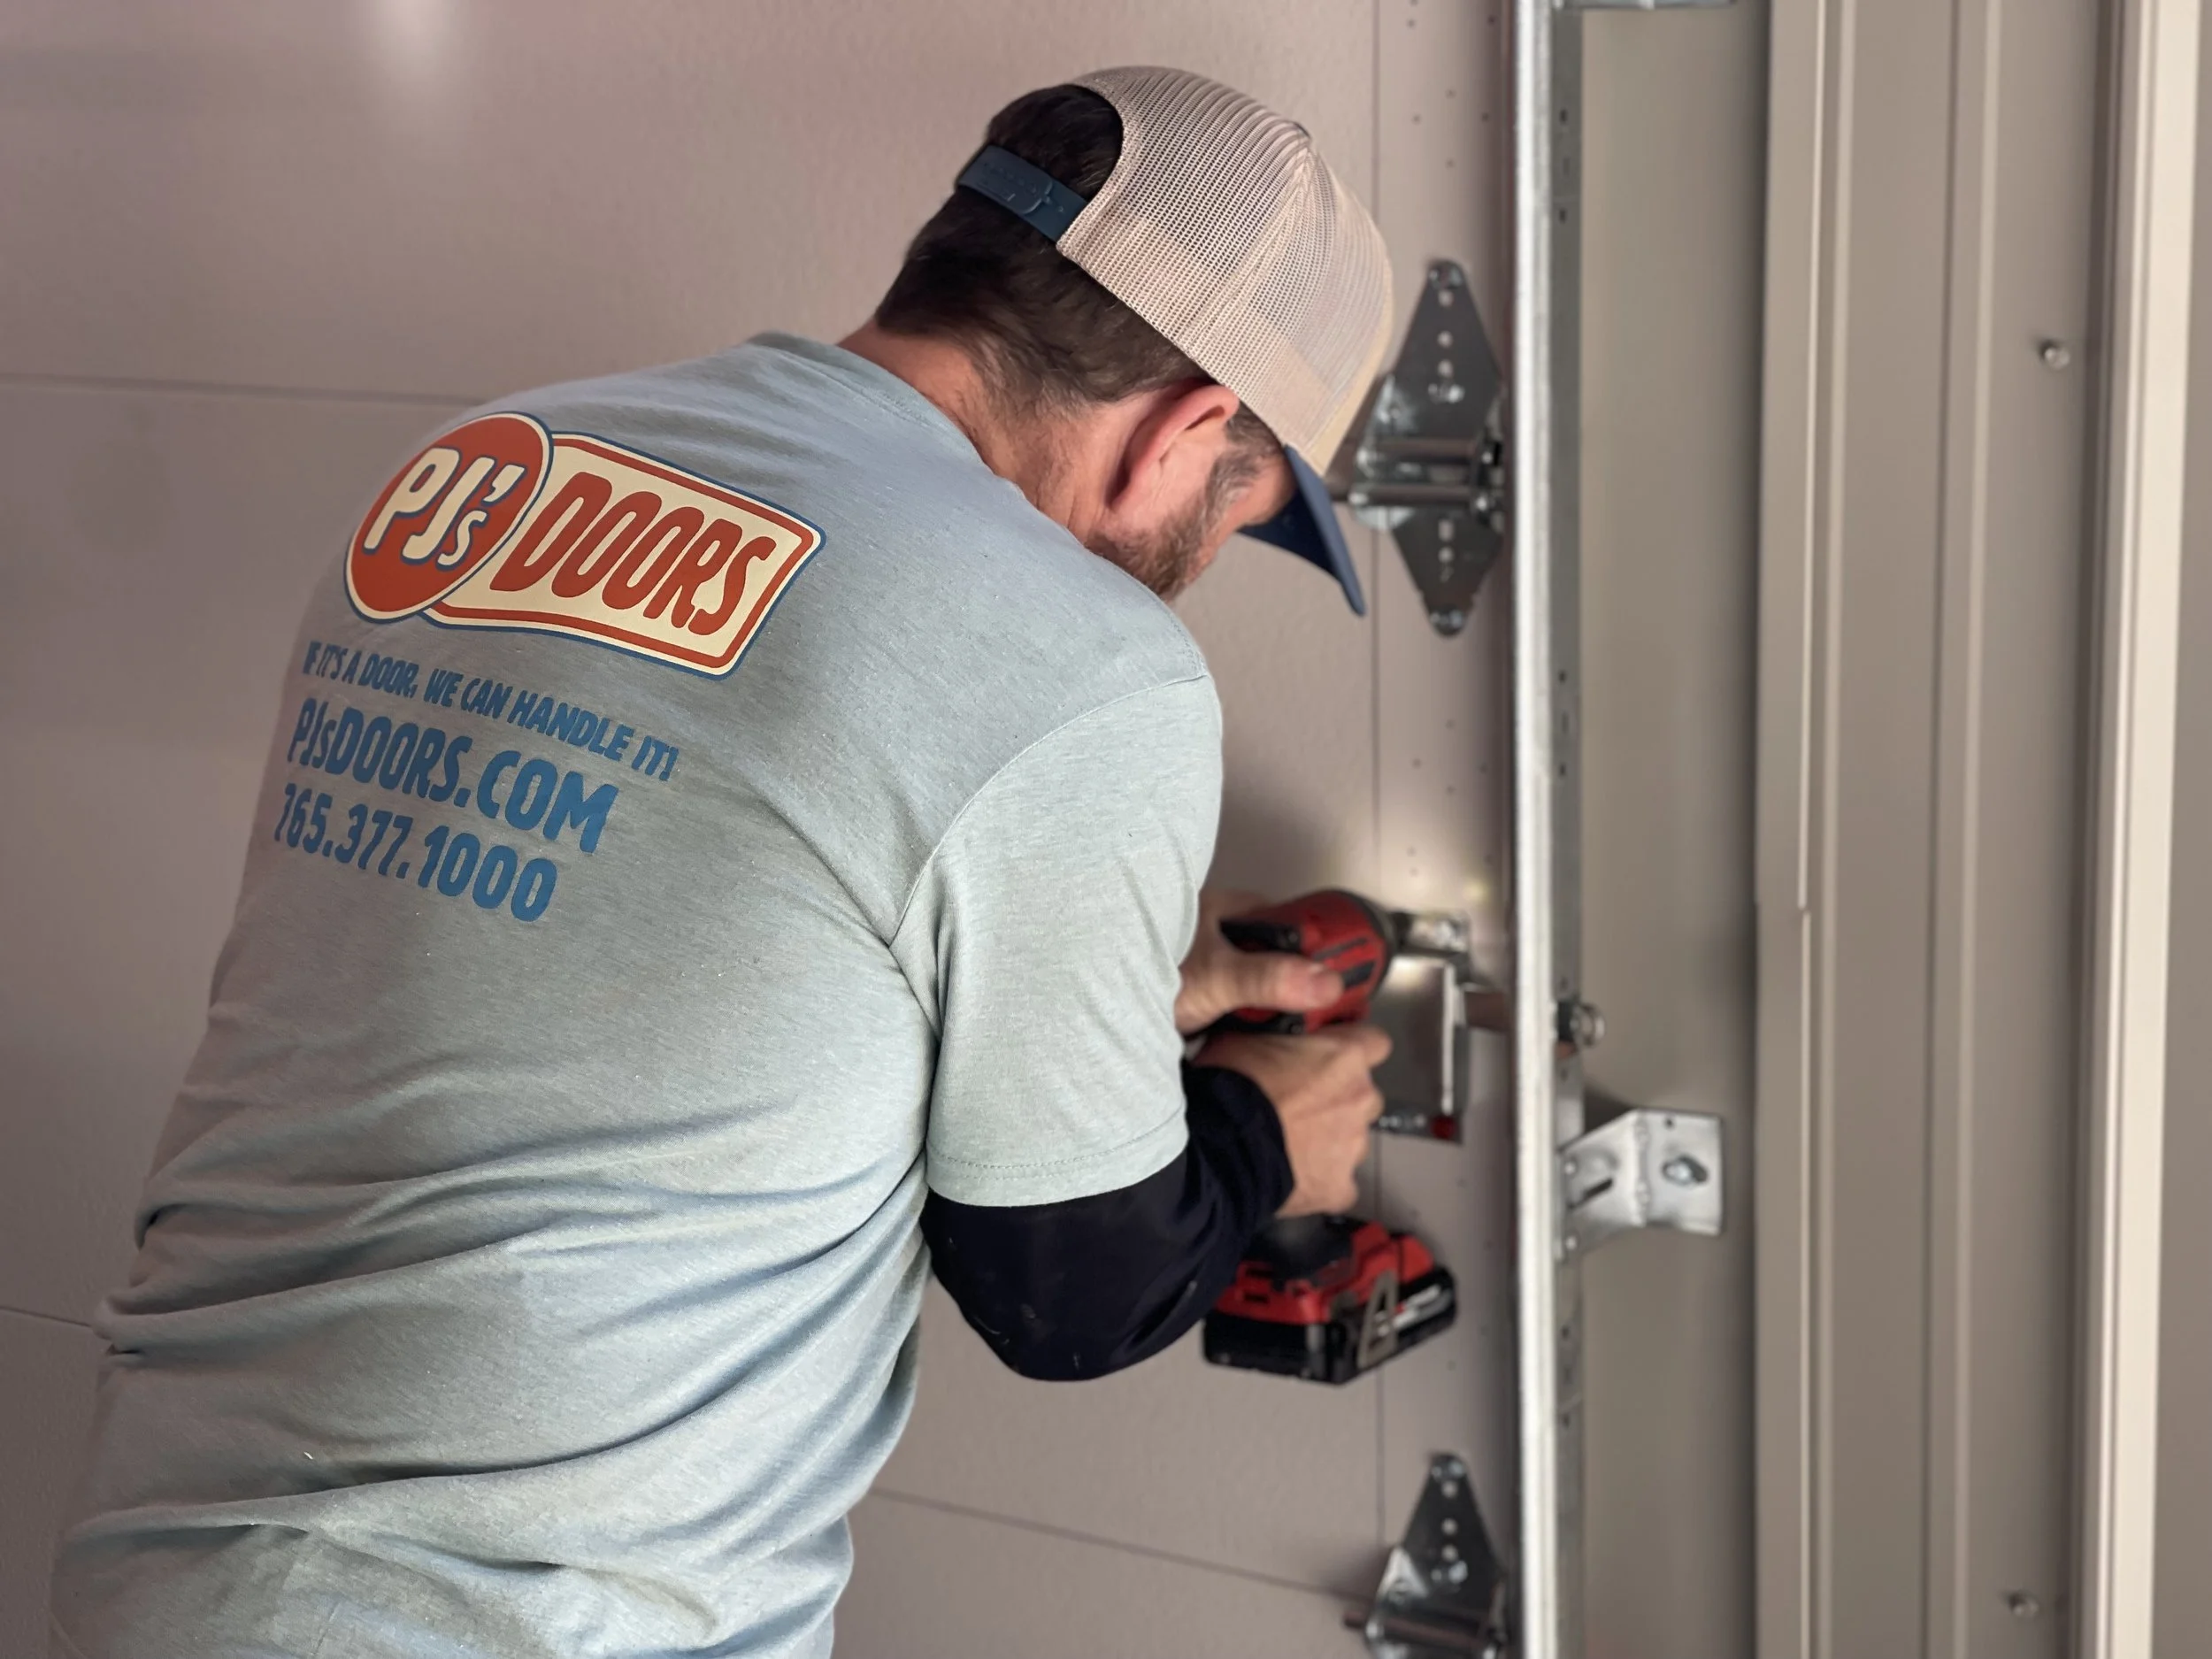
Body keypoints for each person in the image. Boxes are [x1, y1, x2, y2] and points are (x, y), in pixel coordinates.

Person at [50, 65, 1400, 1659]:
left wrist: (1087, 995)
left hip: (165, 1566)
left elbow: (613, 949)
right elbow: (1074, 1293)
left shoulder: (488, 466)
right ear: (1187, 433)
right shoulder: (1083, 657)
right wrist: (1264, 1133)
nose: (1203, 561)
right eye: (1238, 512)